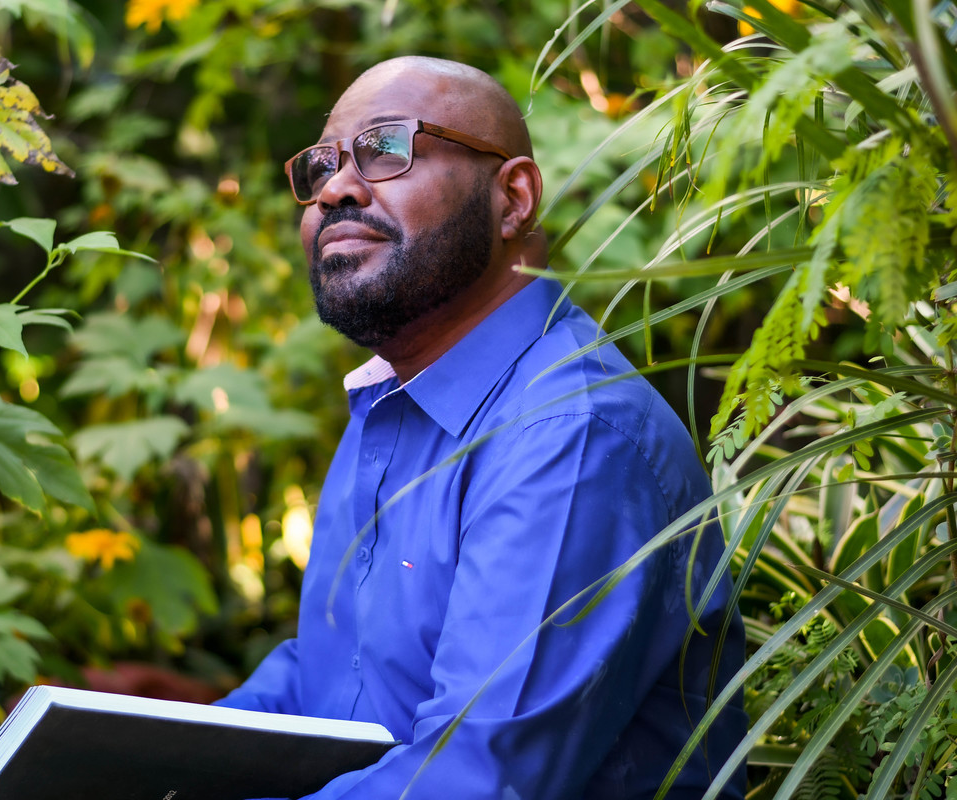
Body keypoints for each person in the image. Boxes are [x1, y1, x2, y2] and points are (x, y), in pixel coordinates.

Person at [216, 56, 747, 799]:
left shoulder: (569, 435)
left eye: (387, 148)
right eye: (321, 166)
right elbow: (329, 678)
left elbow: (477, 777)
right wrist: (138, 763)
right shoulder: (390, 400)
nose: (335, 188)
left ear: (513, 198)